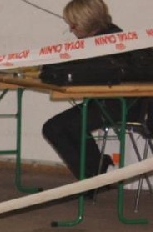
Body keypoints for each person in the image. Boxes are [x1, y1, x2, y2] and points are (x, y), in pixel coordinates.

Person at [42, 0, 153, 186]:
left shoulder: (107, 44)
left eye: (73, 25)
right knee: (63, 127)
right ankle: (97, 173)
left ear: (86, 22)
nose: (71, 29)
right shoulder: (110, 38)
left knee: (57, 128)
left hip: (125, 106)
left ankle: (95, 176)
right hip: (114, 103)